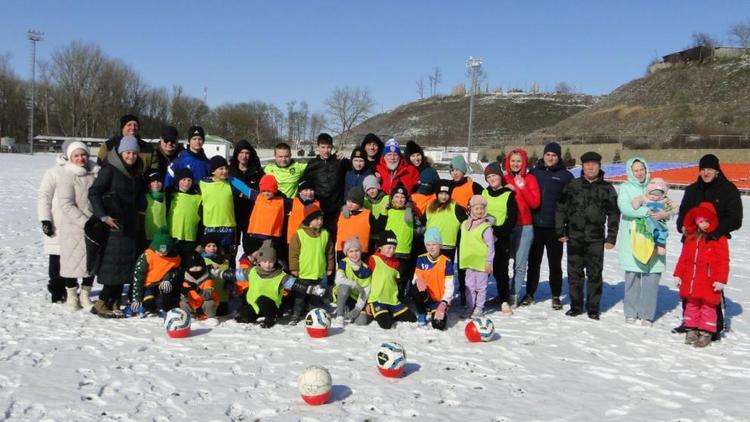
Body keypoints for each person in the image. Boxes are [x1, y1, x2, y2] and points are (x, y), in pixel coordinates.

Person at [673, 154, 743, 339]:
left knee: (711, 287)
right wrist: (683, 226)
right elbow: (683, 213)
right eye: (703, 169)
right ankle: (690, 323)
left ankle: (714, 326)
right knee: (690, 283)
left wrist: (715, 231)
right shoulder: (692, 190)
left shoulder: (728, 190)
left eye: (710, 169)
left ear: (717, 170)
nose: (706, 172)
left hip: (714, 243)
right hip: (692, 242)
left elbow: (736, 219)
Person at [556, 151, 619, 320]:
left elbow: (614, 214)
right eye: (587, 164)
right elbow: (561, 208)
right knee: (574, 273)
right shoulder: (572, 185)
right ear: (582, 167)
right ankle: (576, 306)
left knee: (595, 274)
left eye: (594, 164)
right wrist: (560, 230)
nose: (590, 167)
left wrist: (611, 237)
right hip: (574, 237)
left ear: (599, 166)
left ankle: (593, 308)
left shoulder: (607, 188)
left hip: (596, 239)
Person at [88, 135, 145, 318]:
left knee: (123, 266)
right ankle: (101, 302)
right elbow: (94, 192)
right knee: (113, 265)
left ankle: (113, 302)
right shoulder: (110, 170)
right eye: (128, 152)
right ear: (121, 153)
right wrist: (103, 216)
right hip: (113, 224)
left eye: (134, 153)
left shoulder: (135, 172)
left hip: (129, 224)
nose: (131, 156)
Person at [616, 158, 671, 326]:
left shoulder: (656, 186)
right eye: (636, 170)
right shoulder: (626, 188)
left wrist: (665, 213)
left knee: (651, 276)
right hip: (633, 237)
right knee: (632, 275)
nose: (639, 173)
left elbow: (668, 208)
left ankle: (647, 314)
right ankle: (631, 311)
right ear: (630, 172)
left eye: (642, 169)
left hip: (654, 237)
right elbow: (625, 207)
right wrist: (648, 211)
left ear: (646, 170)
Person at [674, 202, 730, 348]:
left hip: (708, 280)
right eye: (700, 221)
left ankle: (706, 332)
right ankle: (691, 330)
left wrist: (721, 279)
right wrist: (678, 274)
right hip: (691, 279)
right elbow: (684, 257)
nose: (703, 224)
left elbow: (723, 260)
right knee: (691, 305)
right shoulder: (691, 237)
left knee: (708, 307)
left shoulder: (718, 238)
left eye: (706, 221)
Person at [526, 142, 573, 310]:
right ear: (543, 155)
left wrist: (566, 228)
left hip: (555, 228)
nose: (550, 157)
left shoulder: (566, 176)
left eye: (554, 155)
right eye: (548, 154)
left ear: (558, 157)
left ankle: (556, 295)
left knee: (555, 264)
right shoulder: (534, 173)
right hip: (535, 226)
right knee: (533, 262)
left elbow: (570, 204)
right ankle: (530, 293)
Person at [56, 141, 100, 311]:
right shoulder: (67, 175)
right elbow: (66, 203)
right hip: (74, 226)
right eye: (76, 155)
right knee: (71, 262)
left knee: (91, 262)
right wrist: (84, 222)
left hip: (94, 225)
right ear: (70, 157)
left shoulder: (95, 173)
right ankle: (72, 295)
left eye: (83, 155)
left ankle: (85, 294)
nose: (81, 158)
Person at [503, 148, 541, 307]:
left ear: (524, 162)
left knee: (519, 264)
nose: (516, 164)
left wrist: (522, 187)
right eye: (513, 161)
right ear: (508, 162)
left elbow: (535, 203)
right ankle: (503, 293)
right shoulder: (503, 179)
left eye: (519, 161)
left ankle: (514, 294)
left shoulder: (530, 179)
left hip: (524, 227)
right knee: (502, 262)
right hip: (506, 227)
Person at [288, 205, 335, 324]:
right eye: (316, 219)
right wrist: (294, 268)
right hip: (303, 272)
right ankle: (296, 314)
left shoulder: (325, 234)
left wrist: (330, 267)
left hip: (318, 272)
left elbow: (329, 252)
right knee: (300, 296)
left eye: (321, 219)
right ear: (309, 220)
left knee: (314, 296)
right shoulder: (300, 234)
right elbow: (293, 252)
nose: (320, 221)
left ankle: (312, 313)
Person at [482, 162, 518, 315]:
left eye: (494, 175)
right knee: (482, 271)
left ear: (500, 176)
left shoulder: (508, 194)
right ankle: (478, 300)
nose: (492, 179)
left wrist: (497, 231)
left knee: (501, 270)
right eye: (488, 177)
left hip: (500, 238)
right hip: (483, 239)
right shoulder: (483, 193)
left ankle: (504, 299)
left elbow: (511, 219)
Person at [38, 141, 71, 303]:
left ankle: (71, 288)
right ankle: (57, 289)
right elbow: (44, 196)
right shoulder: (53, 173)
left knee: (74, 258)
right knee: (56, 258)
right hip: (58, 221)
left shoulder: (88, 170)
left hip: (77, 223)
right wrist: (45, 219)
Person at [366, 230, 417, 329]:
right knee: (386, 324)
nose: (392, 250)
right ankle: (379, 312)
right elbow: (366, 281)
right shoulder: (373, 259)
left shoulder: (396, 263)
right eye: (389, 247)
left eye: (394, 248)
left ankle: (386, 312)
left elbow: (397, 281)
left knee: (412, 318)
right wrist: (366, 303)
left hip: (392, 301)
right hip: (377, 300)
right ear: (380, 247)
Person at [235, 240, 291, 328]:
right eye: (264, 262)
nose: (267, 265)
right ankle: (252, 315)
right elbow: (239, 274)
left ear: (275, 261)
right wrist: (223, 273)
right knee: (243, 313)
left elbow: (295, 284)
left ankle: (271, 318)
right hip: (256, 305)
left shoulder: (280, 275)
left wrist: (310, 289)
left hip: (273, 306)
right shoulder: (253, 271)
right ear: (259, 261)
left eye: (270, 262)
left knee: (262, 299)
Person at [303, 133, 350, 237]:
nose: (326, 150)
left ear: (332, 147)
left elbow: (355, 170)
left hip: (337, 209)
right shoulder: (312, 164)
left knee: (335, 237)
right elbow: (304, 183)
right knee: (319, 237)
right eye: (323, 147)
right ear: (317, 147)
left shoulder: (340, 162)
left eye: (328, 147)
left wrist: (346, 159)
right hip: (320, 209)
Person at [130, 227, 182, 316]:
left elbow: (176, 271)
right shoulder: (146, 256)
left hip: (162, 284)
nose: (161, 254)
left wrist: (168, 279)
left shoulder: (175, 257)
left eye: (165, 252)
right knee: (149, 301)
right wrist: (136, 298)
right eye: (159, 251)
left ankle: (163, 308)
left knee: (164, 298)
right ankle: (148, 308)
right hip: (147, 285)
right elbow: (138, 277)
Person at [459, 195, 495, 318]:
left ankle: (479, 307)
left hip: (481, 263)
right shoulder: (464, 224)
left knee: (481, 287)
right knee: (469, 286)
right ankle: (470, 306)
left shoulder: (486, 227)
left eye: (482, 208)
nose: (479, 211)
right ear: (470, 209)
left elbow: (490, 246)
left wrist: (489, 261)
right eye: (476, 208)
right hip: (469, 262)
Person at [412, 228, 454, 330]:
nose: (431, 248)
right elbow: (415, 278)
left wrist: (444, 303)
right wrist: (417, 280)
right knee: (415, 289)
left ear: (440, 245)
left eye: (434, 244)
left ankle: (436, 311)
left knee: (438, 326)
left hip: (439, 301)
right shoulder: (421, 258)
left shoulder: (446, 262)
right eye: (428, 245)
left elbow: (450, 286)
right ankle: (422, 313)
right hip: (426, 296)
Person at [380, 183, 416, 301]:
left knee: (401, 277)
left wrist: (410, 208)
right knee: (388, 276)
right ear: (392, 198)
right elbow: (379, 226)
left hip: (404, 250)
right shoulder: (388, 211)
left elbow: (418, 226)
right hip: (389, 250)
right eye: (397, 197)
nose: (399, 200)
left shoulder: (410, 212)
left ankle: (398, 299)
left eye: (402, 197)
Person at [199, 156, 238, 264]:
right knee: (209, 256)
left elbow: (248, 192)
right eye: (221, 169)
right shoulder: (203, 184)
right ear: (213, 171)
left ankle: (228, 279)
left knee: (227, 257)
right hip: (211, 227)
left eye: (226, 168)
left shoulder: (231, 182)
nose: (225, 171)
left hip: (228, 227)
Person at [229, 139, 264, 253]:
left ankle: (250, 270)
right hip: (233, 215)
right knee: (232, 248)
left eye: (247, 153)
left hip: (251, 216)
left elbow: (266, 190)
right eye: (241, 153)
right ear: (236, 154)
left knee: (250, 249)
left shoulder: (258, 172)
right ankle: (231, 269)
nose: (244, 156)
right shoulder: (229, 172)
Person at [332, 236, 372, 327]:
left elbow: (366, 291)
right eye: (351, 251)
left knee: (362, 321)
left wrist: (357, 309)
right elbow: (338, 280)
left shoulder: (366, 269)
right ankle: (339, 316)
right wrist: (355, 284)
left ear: (360, 252)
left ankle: (347, 313)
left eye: (356, 251)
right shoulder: (343, 263)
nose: (354, 254)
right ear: (347, 253)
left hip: (356, 299)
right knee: (345, 287)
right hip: (342, 294)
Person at [167, 168, 203, 264]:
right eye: (183, 180)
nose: (186, 183)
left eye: (189, 180)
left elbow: (201, 221)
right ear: (178, 181)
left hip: (190, 238)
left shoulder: (198, 197)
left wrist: (199, 241)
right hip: (173, 236)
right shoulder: (171, 196)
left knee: (187, 263)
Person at [631, 177, 672, 256]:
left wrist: (668, 213)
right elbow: (637, 201)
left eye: (657, 195)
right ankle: (648, 245)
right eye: (652, 194)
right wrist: (636, 202)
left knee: (662, 230)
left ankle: (660, 244)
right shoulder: (645, 199)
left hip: (659, 221)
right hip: (647, 220)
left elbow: (674, 209)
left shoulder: (664, 200)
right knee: (648, 230)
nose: (654, 197)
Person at [180, 251, 219, 321]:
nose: (195, 268)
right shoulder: (186, 281)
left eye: (198, 266)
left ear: (203, 266)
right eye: (192, 267)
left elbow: (208, 296)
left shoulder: (208, 280)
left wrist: (198, 290)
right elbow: (184, 299)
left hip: (205, 304)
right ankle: (189, 317)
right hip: (193, 305)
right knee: (183, 303)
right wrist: (184, 294)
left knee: (209, 303)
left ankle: (211, 318)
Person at [336, 187, 374, 255]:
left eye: (354, 202)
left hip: (360, 251)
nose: (350, 204)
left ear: (360, 203)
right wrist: (343, 208)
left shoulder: (367, 214)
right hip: (342, 250)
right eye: (348, 201)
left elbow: (377, 228)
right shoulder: (342, 213)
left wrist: (384, 213)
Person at [144, 170, 167, 242]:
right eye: (153, 181)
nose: (156, 184)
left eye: (158, 181)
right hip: (148, 236)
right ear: (148, 184)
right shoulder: (144, 198)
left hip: (162, 235)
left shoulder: (165, 197)